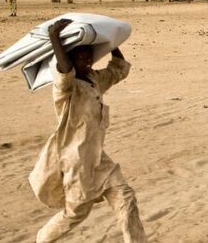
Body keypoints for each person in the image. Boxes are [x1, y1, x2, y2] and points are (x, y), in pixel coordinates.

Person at [30, 18, 146, 242]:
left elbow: (118, 70)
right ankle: (42, 240)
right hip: (76, 162)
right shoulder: (66, 89)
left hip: (99, 158)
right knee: (75, 213)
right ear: (71, 61)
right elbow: (63, 70)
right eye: (80, 58)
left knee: (126, 198)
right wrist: (55, 38)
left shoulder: (94, 80)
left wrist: (112, 41)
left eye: (89, 57)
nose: (87, 62)